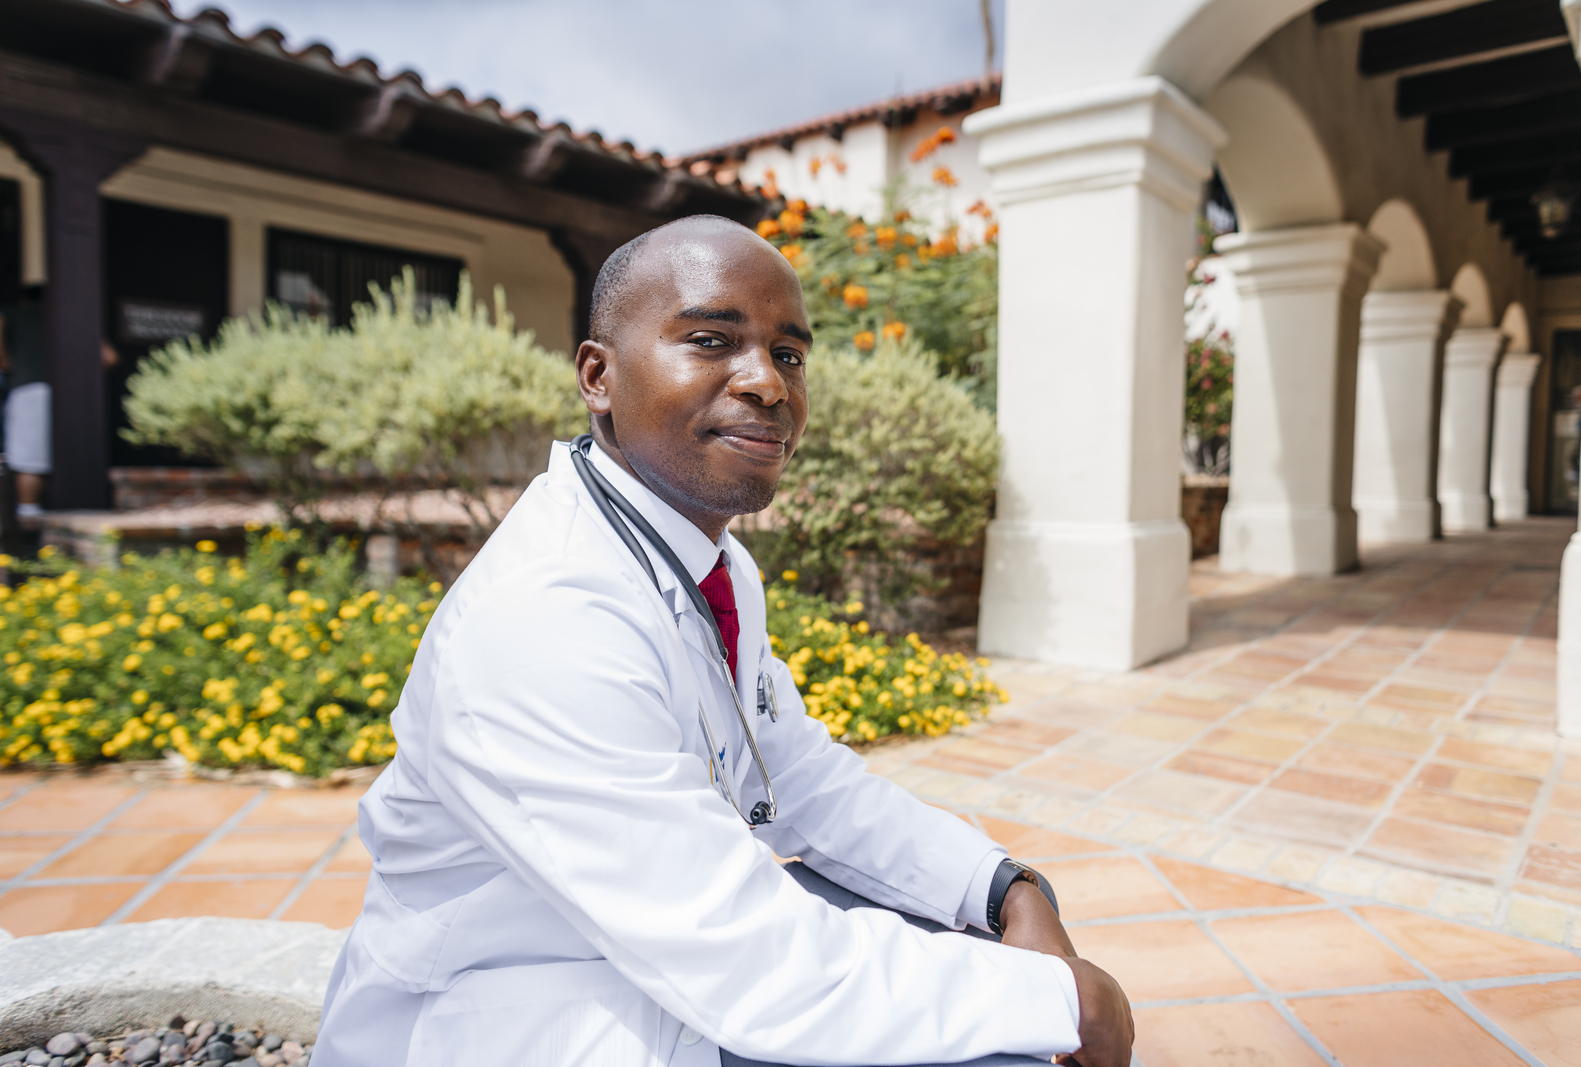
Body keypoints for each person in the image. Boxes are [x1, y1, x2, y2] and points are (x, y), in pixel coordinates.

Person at [315, 215, 1133, 1067]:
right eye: (711, 339)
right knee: (1011, 1039)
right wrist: (1063, 1000)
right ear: (599, 375)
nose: (768, 385)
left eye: (789, 354)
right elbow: (752, 961)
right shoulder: (543, 618)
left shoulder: (709, 561)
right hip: (507, 1022)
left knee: (950, 944)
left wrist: (1000, 886)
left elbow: (799, 776)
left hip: (644, 976)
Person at [0, 285, 49, 526]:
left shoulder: (15, 314)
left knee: (29, 459)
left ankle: (29, 518)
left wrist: (5, 361)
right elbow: (108, 356)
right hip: (76, 396)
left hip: (29, 388)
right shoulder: (75, 317)